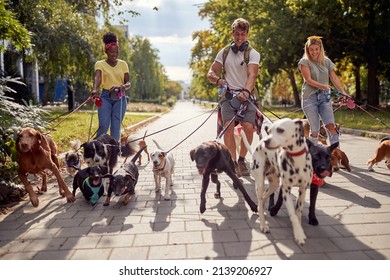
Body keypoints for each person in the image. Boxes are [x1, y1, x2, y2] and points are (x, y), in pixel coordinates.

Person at [207, 18, 261, 177]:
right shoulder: (224, 52)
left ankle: (242, 160)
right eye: (237, 34)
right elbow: (211, 73)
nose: (239, 37)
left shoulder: (253, 53)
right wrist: (218, 80)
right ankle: (232, 161)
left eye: (243, 34)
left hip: (247, 96)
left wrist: (246, 91)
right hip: (228, 97)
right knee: (228, 129)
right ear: (232, 33)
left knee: (248, 127)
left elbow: (252, 75)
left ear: (247, 34)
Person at [298, 35, 349, 146]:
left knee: (331, 126)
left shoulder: (326, 61)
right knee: (315, 129)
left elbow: (334, 78)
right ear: (307, 50)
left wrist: (343, 92)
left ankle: (336, 154)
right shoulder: (304, 62)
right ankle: (313, 156)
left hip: (324, 98)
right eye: (311, 49)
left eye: (316, 49)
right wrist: (323, 86)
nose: (314, 52)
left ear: (321, 49)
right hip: (309, 98)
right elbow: (308, 80)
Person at [90, 31, 131, 142]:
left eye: (117, 52)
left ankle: (113, 152)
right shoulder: (100, 64)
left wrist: (122, 86)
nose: (115, 55)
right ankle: (96, 148)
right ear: (106, 51)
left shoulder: (123, 64)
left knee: (115, 127)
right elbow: (97, 78)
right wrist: (94, 90)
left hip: (120, 98)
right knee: (103, 125)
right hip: (105, 97)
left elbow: (128, 83)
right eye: (112, 52)